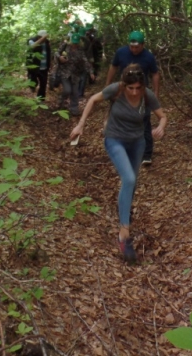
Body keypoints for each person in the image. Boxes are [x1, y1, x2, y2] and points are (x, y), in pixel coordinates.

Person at [70, 64, 167, 264]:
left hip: (137, 141)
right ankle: (124, 233)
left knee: (132, 182)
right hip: (114, 139)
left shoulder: (147, 95)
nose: (134, 92)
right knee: (128, 178)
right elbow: (93, 100)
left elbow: (162, 115)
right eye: (130, 88)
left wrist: (161, 127)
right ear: (125, 85)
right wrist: (80, 125)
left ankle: (124, 208)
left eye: (137, 88)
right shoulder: (117, 89)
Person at [105, 31, 160, 165]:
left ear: (143, 45)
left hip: (141, 94)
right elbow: (113, 67)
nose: (134, 50)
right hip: (123, 93)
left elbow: (155, 74)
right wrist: (107, 85)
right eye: (132, 47)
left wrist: (156, 93)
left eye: (137, 47)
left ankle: (146, 154)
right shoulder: (121, 53)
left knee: (144, 121)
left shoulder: (148, 57)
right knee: (119, 119)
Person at [56, 33, 95, 116]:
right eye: (73, 42)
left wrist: (91, 72)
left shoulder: (80, 50)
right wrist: (60, 57)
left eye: (76, 42)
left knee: (75, 92)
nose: (75, 44)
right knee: (67, 90)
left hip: (75, 74)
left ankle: (74, 109)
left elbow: (85, 61)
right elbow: (56, 53)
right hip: (64, 73)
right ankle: (60, 104)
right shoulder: (65, 46)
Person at [26, 30, 51, 100]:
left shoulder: (47, 42)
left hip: (44, 67)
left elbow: (48, 53)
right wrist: (42, 39)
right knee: (33, 82)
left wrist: (49, 65)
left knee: (43, 84)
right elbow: (32, 47)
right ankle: (32, 88)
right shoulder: (31, 40)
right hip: (34, 67)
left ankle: (40, 100)